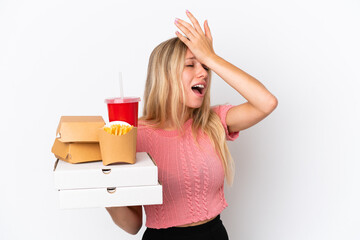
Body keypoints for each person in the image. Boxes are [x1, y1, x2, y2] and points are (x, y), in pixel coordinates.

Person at [106, 10, 278, 240]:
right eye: (191, 65)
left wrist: (211, 57)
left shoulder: (213, 122)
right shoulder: (134, 135)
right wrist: (104, 190)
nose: (203, 73)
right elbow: (133, 225)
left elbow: (266, 102)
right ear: (165, 75)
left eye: (205, 67)